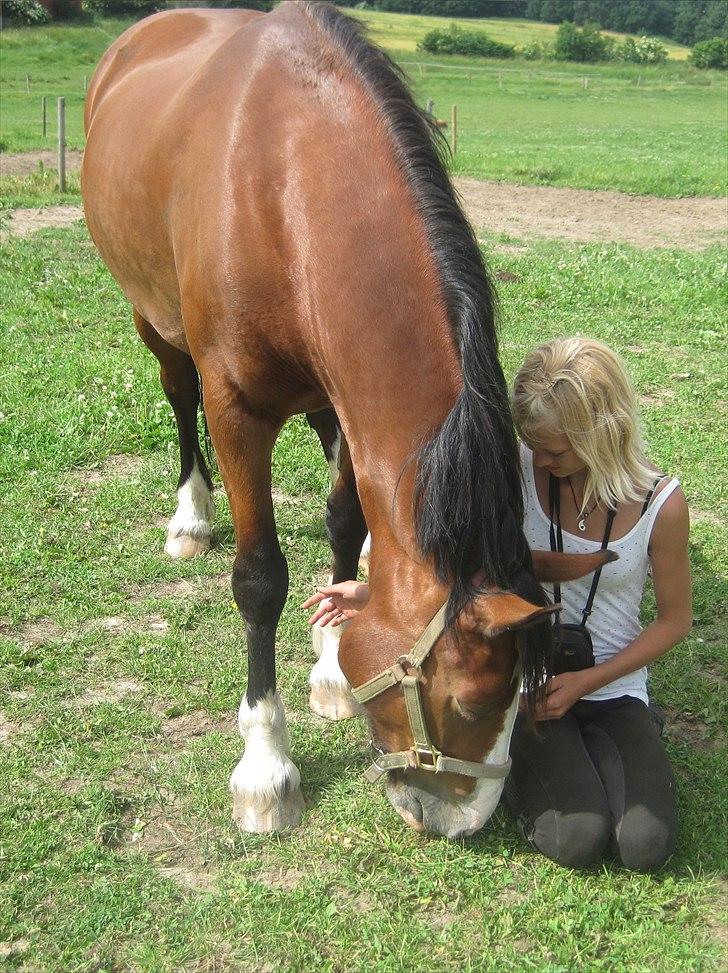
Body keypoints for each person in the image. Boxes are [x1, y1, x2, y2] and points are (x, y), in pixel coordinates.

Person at [304, 337, 692, 872]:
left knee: (645, 846)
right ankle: (540, 765)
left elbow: (676, 621)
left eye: (556, 450)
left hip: (612, 685)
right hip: (523, 683)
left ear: (603, 432)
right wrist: (376, 598)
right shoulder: (513, 472)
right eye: (534, 443)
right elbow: (467, 582)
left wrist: (585, 684)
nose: (542, 459)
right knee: (576, 839)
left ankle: (618, 743)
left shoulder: (661, 504)